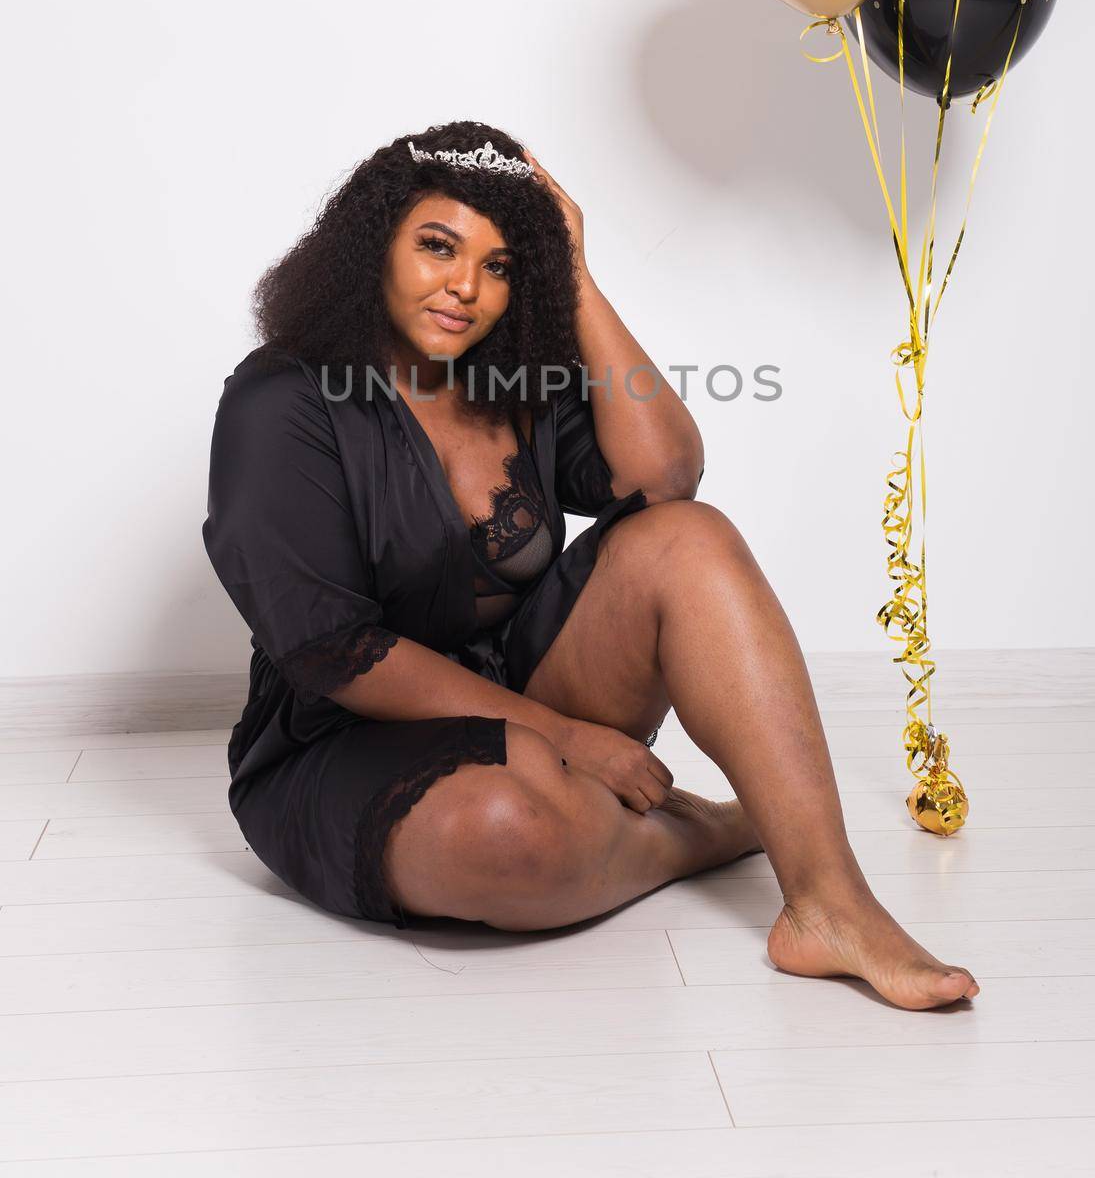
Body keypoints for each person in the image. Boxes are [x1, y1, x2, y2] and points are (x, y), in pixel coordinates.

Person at [202, 119, 979, 1012]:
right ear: (371, 245)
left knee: (688, 537)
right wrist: (570, 740)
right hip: (339, 736)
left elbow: (665, 476)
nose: (466, 287)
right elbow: (333, 652)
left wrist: (575, 275)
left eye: (500, 266)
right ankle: (694, 833)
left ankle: (829, 904)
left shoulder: (511, 379)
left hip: (526, 684)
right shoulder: (281, 398)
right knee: (509, 834)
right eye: (437, 247)